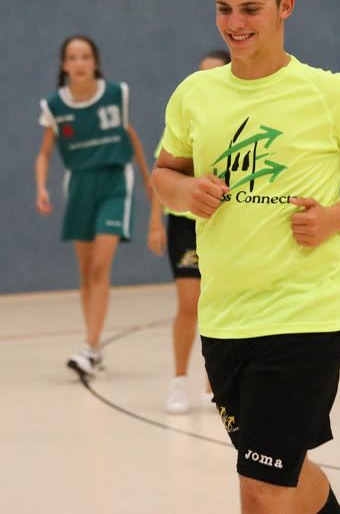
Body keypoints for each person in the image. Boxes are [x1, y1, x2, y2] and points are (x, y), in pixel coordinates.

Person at [153, 0, 340, 514]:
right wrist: (185, 192)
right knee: (279, 468)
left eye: (250, 9)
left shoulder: (333, 94)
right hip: (224, 320)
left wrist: (335, 217)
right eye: (224, 9)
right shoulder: (195, 94)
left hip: (303, 316)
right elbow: (164, 174)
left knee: (262, 486)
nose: (235, 24)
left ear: (285, 7)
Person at [35, 35, 151, 377]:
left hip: (114, 182)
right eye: (73, 57)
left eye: (86, 56)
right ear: (64, 65)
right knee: (86, 273)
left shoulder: (116, 94)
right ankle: (95, 349)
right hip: (80, 185)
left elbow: (131, 135)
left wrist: (149, 178)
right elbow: (44, 153)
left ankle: (89, 346)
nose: (80, 63)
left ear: (95, 62)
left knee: (100, 267)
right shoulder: (55, 106)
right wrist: (41, 187)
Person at [148, 49, 231, 415]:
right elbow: (162, 172)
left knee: (221, 303)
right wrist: (155, 222)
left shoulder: (240, 118)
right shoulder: (186, 115)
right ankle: (179, 380)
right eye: (201, 73)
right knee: (188, 303)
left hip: (224, 221)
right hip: (185, 223)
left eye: (214, 72)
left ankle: (216, 384)